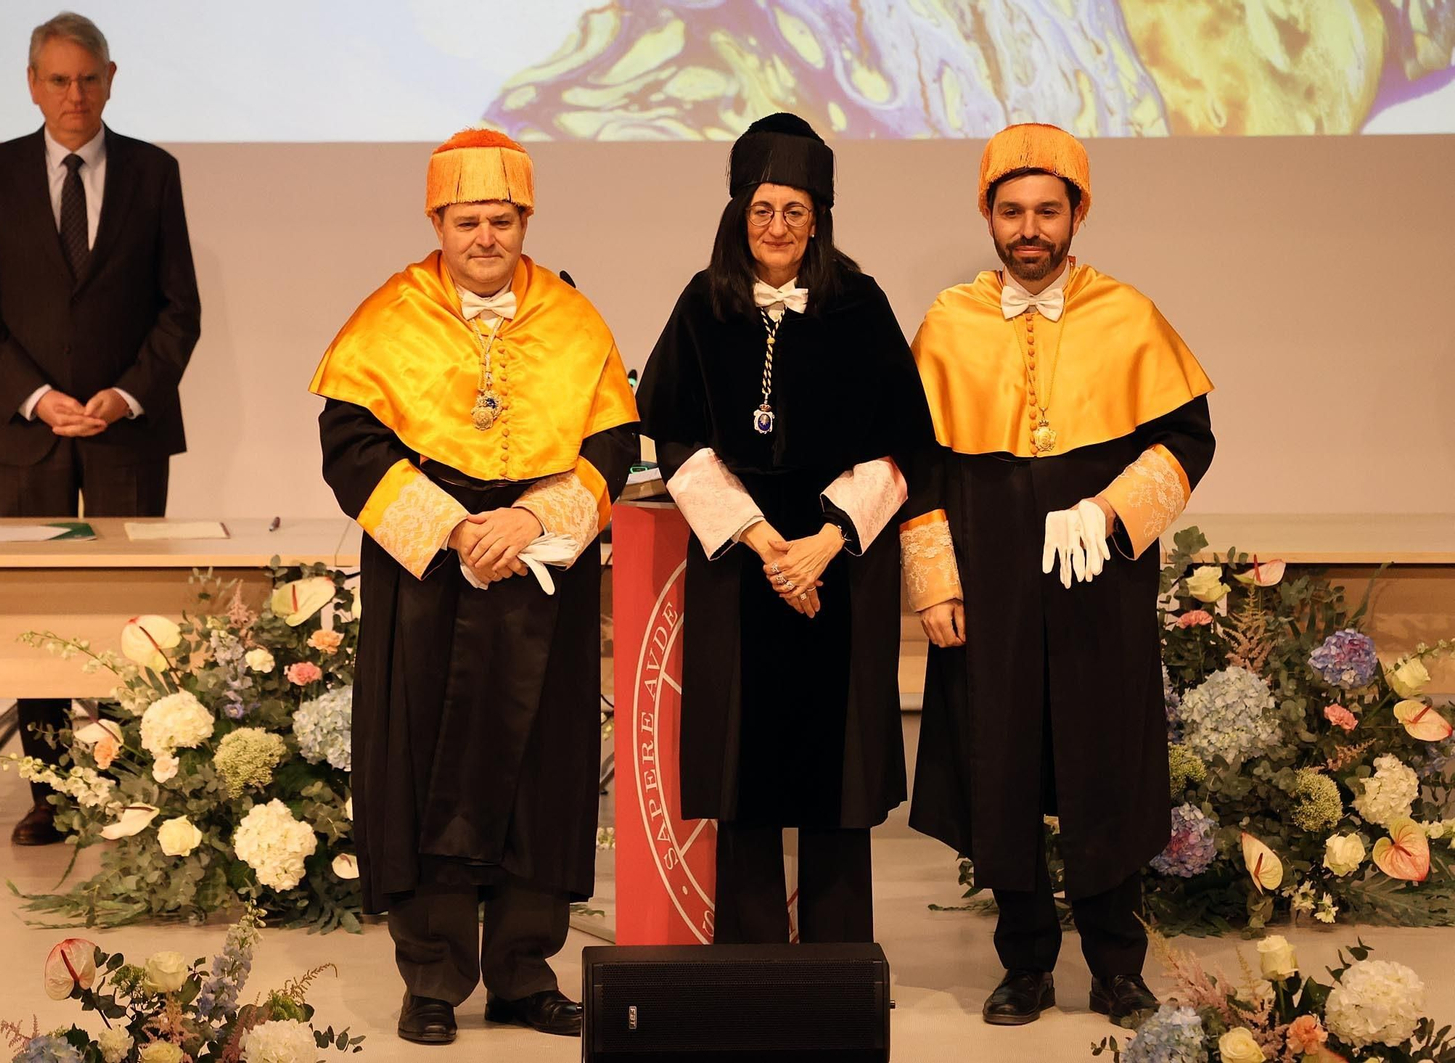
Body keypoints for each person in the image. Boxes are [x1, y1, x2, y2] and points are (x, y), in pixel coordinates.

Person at [310, 129, 638, 1046]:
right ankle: (433, 977)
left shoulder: (575, 320)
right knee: (426, 767)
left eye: (500, 219)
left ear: (525, 220)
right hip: (431, 586)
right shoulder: (390, 316)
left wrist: (531, 521)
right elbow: (353, 446)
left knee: (545, 770)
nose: (484, 237)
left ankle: (526, 972)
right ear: (437, 223)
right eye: (466, 221)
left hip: (540, 574)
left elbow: (612, 441)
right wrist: (455, 528)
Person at [900, 123, 1215, 1028]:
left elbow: (1189, 438)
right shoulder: (948, 321)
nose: (1028, 228)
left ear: (1078, 213)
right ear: (988, 217)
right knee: (997, 766)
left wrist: (1111, 510)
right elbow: (917, 465)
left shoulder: (1129, 313)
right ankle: (1025, 960)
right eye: (1011, 211)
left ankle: (1118, 963)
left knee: (1105, 762)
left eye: (1046, 210)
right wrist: (935, 580)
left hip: (1096, 579)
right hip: (987, 582)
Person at [637, 113, 932, 945]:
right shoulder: (704, 305)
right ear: (738, 215)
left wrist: (827, 539)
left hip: (842, 563)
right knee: (745, 777)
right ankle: (751, 967)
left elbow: (904, 442)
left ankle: (841, 967)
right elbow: (677, 437)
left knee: (837, 782)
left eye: (795, 212)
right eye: (762, 211)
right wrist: (767, 543)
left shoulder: (860, 304)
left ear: (820, 219)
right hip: (743, 568)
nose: (777, 229)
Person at [0, 11, 200, 846]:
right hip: (26, 433)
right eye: (58, 80)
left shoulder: (154, 173)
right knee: (41, 605)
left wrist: (128, 395)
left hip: (126, 432)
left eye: (88, 78)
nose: (74, 95)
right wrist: (35, 396)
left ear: (112, 78)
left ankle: (138, 786)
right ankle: (52, 790)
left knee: (133, 614)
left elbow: (178, 309)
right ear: (33, 85)